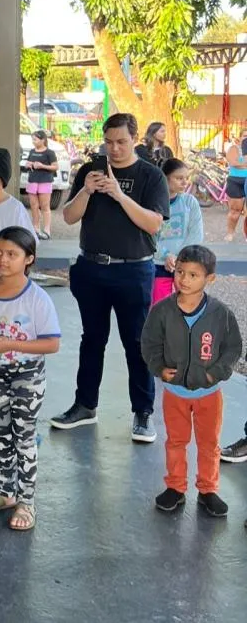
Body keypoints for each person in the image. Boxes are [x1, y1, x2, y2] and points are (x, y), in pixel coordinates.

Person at [52, 113, 169, 441]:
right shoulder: (90, 171)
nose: (114, 148)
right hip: (91, 268)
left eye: (121, 142)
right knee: (92, 339)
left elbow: (153, 224)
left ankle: (143, 413)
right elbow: (69, 216)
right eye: (109, 142)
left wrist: (119, 194)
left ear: (135, 140)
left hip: (133, 269)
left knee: (137, 342)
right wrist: (87, 191)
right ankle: (85, 405)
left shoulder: (151, 176)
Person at [140, 245, 242, 517]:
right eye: (181, 272)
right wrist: (159, 368)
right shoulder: (162, 311)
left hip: (209, 394)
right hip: (174, 394)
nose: (184, 279)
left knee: (209, 444)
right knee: (175, 441)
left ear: (210, 279)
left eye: (193, 275)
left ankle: (208, 490)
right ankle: (175, 487)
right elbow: (149, 343)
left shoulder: (221, 314)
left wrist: (214, 374)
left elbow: (233, 348)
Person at [0, 227, 61, 531]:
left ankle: (27, 501)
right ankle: (6, 493)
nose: (3, 259)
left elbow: (51, 343)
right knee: (4, 434)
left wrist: (11, 345)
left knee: (24, 435)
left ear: (29, 258)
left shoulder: (37, 298)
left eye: (12, 254)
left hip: (27, 374)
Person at [151, 159, 203, 306]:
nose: (185, 182)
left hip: (185, 265)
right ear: (165, 178)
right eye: (179, 178)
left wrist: (179, 257)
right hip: (158, 266)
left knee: (186, 310)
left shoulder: (190, 202)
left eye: (186, 178)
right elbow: (149, 237)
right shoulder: (153, 203)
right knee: (160, 310)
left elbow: (195, 235)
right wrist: (166, 255)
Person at [25, 130, 58, 240]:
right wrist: (28, 164)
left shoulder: (50, 153)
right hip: (32, 180)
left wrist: (42, 166)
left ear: (43, 140)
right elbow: (28, 163)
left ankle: (47, 229)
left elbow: (55, 167)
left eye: (35, 139)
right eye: (32, 139)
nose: (33, 142)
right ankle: (35, 228)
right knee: (34, 206)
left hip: (45, 180)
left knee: (45, 206)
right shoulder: (31, 151)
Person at [223, 129, 247, 242]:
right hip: (236, 181)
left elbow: (239, 163)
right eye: (245, 136)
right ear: (240, 138)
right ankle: (230, 233)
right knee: (235, 211)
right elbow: (234, 163)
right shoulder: (234, 148)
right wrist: (242, 164)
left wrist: (241, 164)